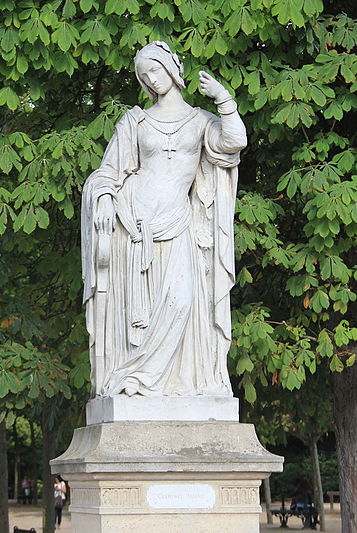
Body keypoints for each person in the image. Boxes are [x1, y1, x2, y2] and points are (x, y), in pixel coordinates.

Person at [82, 41, 245, 397]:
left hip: (178, 225)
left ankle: (164, 381)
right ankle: (136, 380)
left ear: (171, 68)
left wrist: (223, 98)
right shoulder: (134, 122)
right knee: (138, 318)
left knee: (182, 302)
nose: (151, 80)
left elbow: (234, 141)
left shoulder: (200, 121)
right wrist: (105, 198)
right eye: (144, 75)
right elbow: (107, 173)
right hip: (134, 227)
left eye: (154, 70)